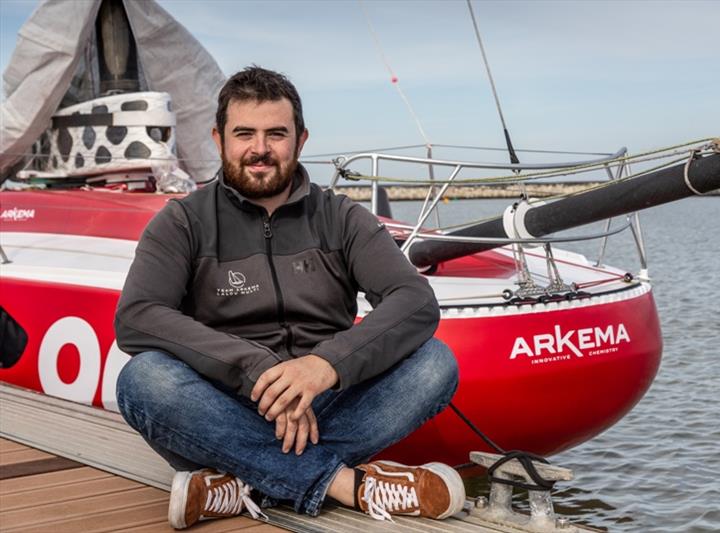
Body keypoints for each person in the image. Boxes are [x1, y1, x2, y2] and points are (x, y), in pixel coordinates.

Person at [114, 66, 463, 529]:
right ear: (219, 140)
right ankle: (345, 485)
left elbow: (414, 300)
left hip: (328, 402)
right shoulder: (183, 222)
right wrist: (255, 368)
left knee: (435, 363)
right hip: (226, 407)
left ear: (300, 140)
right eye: (245, 134)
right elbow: (138, 317)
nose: (259, 149)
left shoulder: (341, 217)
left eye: (276, 134)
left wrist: (325, 366)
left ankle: (240, 483)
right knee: (144, 380)